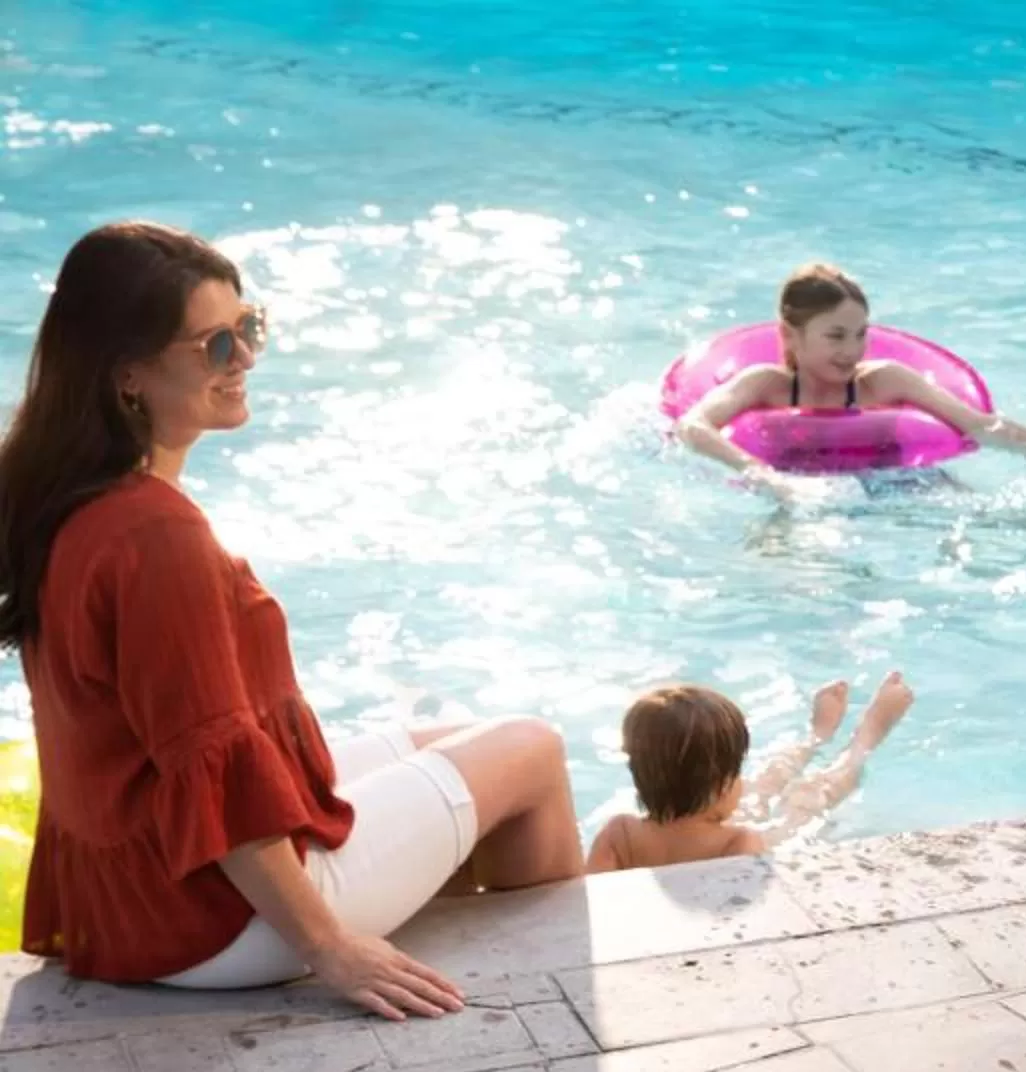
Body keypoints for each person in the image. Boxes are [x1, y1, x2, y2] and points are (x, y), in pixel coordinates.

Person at [1, 222, 585, 1021]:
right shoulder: (154, 537)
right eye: (214, 345)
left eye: (250, 328)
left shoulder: (69, 499)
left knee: (457, 734)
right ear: (128, 375)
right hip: (207, 920)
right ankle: (552, 1019)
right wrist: (330, 948)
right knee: (535, 749)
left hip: (129, 890)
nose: (245, 361)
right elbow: (209, 762)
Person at [675, 263, 1026, 493]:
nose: (851, 350)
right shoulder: (764, 386)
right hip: (799, 490)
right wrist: (762, 475)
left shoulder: (883, 381)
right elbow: (693, 426)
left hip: (896, 486)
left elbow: (983, 426)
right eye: (835, 336)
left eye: (861, 334)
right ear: (791, 336)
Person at [587, 671, 915, 872]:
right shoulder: (741, 843)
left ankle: (817, 736)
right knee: (809, 798)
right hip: (759, 837)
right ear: (724, 785)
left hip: (711, 818)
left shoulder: (620, 835)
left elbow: (591, 901)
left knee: (761, 790)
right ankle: (866, 736)